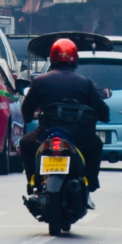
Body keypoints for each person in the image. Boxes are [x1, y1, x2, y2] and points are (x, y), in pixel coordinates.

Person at [18, 38, 108, 193]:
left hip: (46, 135)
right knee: (96, 144)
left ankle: (33, 183)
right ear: (75, 61)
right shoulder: (85, 83)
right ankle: (91, 184)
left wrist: (29, 117)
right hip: (79, 138)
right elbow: (103, 111)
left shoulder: (40, 81)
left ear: (52, 59)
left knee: (25, 143)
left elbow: (26, 111)